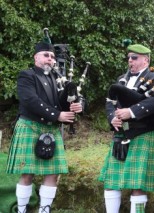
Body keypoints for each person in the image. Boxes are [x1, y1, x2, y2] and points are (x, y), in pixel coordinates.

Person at [6, 41, 82, 213]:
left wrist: (75, 105)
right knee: (27, 173)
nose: (50, 59)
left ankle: (44, 210)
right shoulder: (27, 75)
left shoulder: (56, 79)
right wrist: (57, 115)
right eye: (46, 55)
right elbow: (30, 100)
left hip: (51, 129)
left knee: (53, 173)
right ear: (36, 57)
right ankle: (22, 209)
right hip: (30, 126)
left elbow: (61, 102)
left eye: (53, 57)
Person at [99, 44, 154, 213]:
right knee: (111, 181)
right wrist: (112, 118)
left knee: (138, 184)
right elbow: (110, 101)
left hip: (143, 133)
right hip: (121, 134)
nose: (130, 60)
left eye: (134, 57)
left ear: (146, 59)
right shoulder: (122, 78)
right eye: (129, 57)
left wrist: (131, 112)